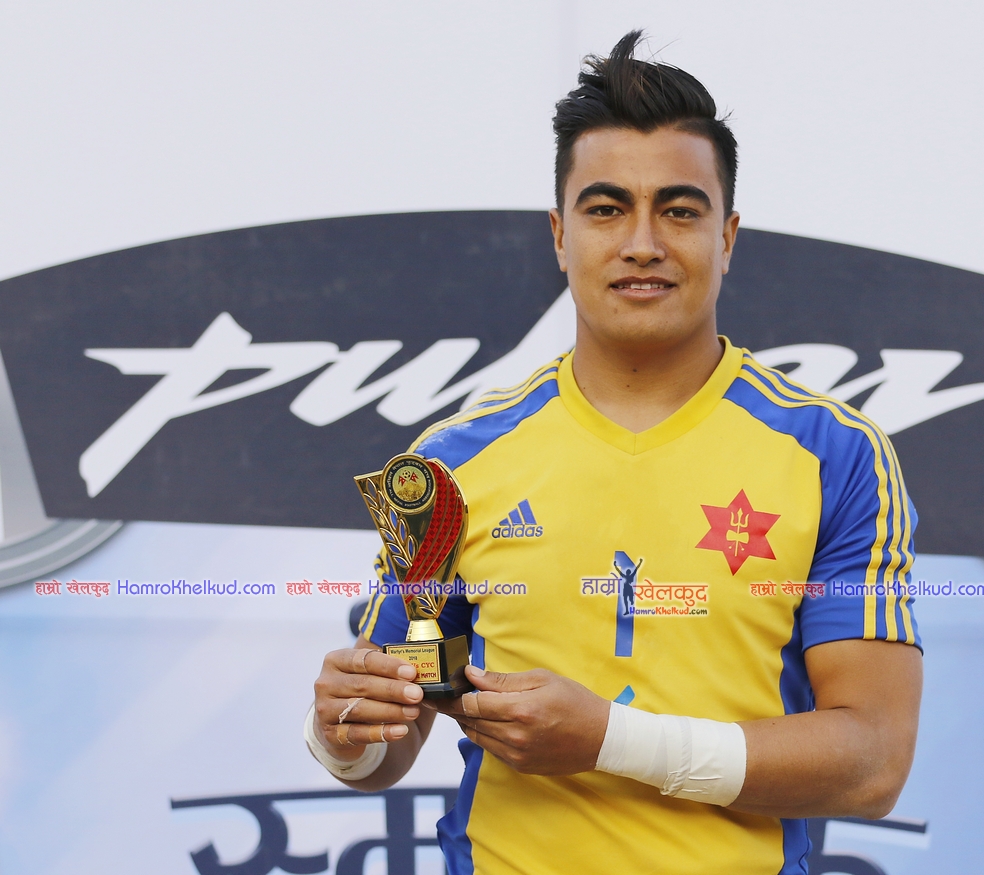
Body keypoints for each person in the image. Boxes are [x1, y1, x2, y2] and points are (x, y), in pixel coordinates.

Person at [305, 30, 923, 875]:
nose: (642, 242)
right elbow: (387, 739)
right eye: (606, 209)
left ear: (728, 236)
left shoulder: (835, 455)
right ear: (560, 235)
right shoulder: (451, 464)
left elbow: (873, 763)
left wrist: (609, 740)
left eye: (679, 210)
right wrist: (342, 733)